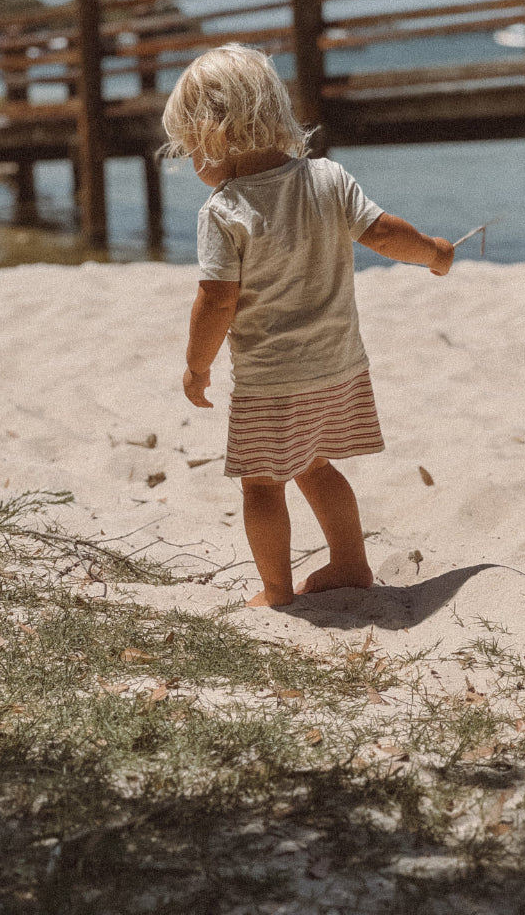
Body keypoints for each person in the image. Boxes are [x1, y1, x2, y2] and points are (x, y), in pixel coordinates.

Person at [162, 43, 454, 608]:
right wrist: (436, 253)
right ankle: (349, 563)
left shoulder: (224, 210)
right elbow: (387, 235)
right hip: (338, 367)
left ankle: (275, 591)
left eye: (190, 148)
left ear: (213, 134)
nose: (193, 163)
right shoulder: (327, 177)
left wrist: (196, 366)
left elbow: (216, 301)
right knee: (317, 466)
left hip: (271, 381)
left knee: (261, 484)